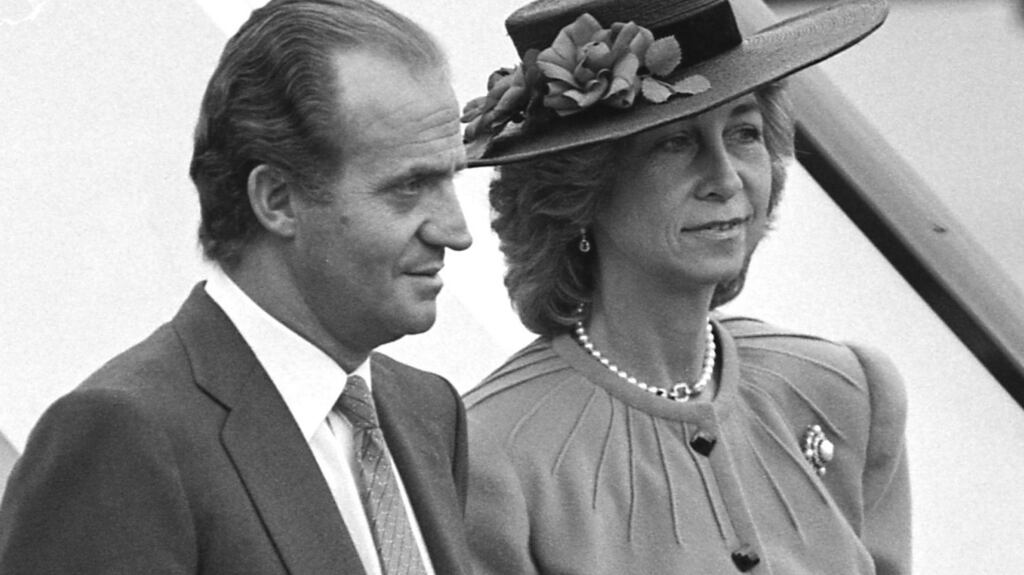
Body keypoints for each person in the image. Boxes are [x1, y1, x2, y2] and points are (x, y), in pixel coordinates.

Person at [0, 0, 475, 573]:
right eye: (409, 187)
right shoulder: (124, 437)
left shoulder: (427, 411)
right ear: (277, 200)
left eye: (450, 179)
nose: (456, 231)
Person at [459, 0, 910, 573]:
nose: (725, 178)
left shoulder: (846, 389)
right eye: (674, 143)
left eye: (744, 133)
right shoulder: (493, 453)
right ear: (579, 190)